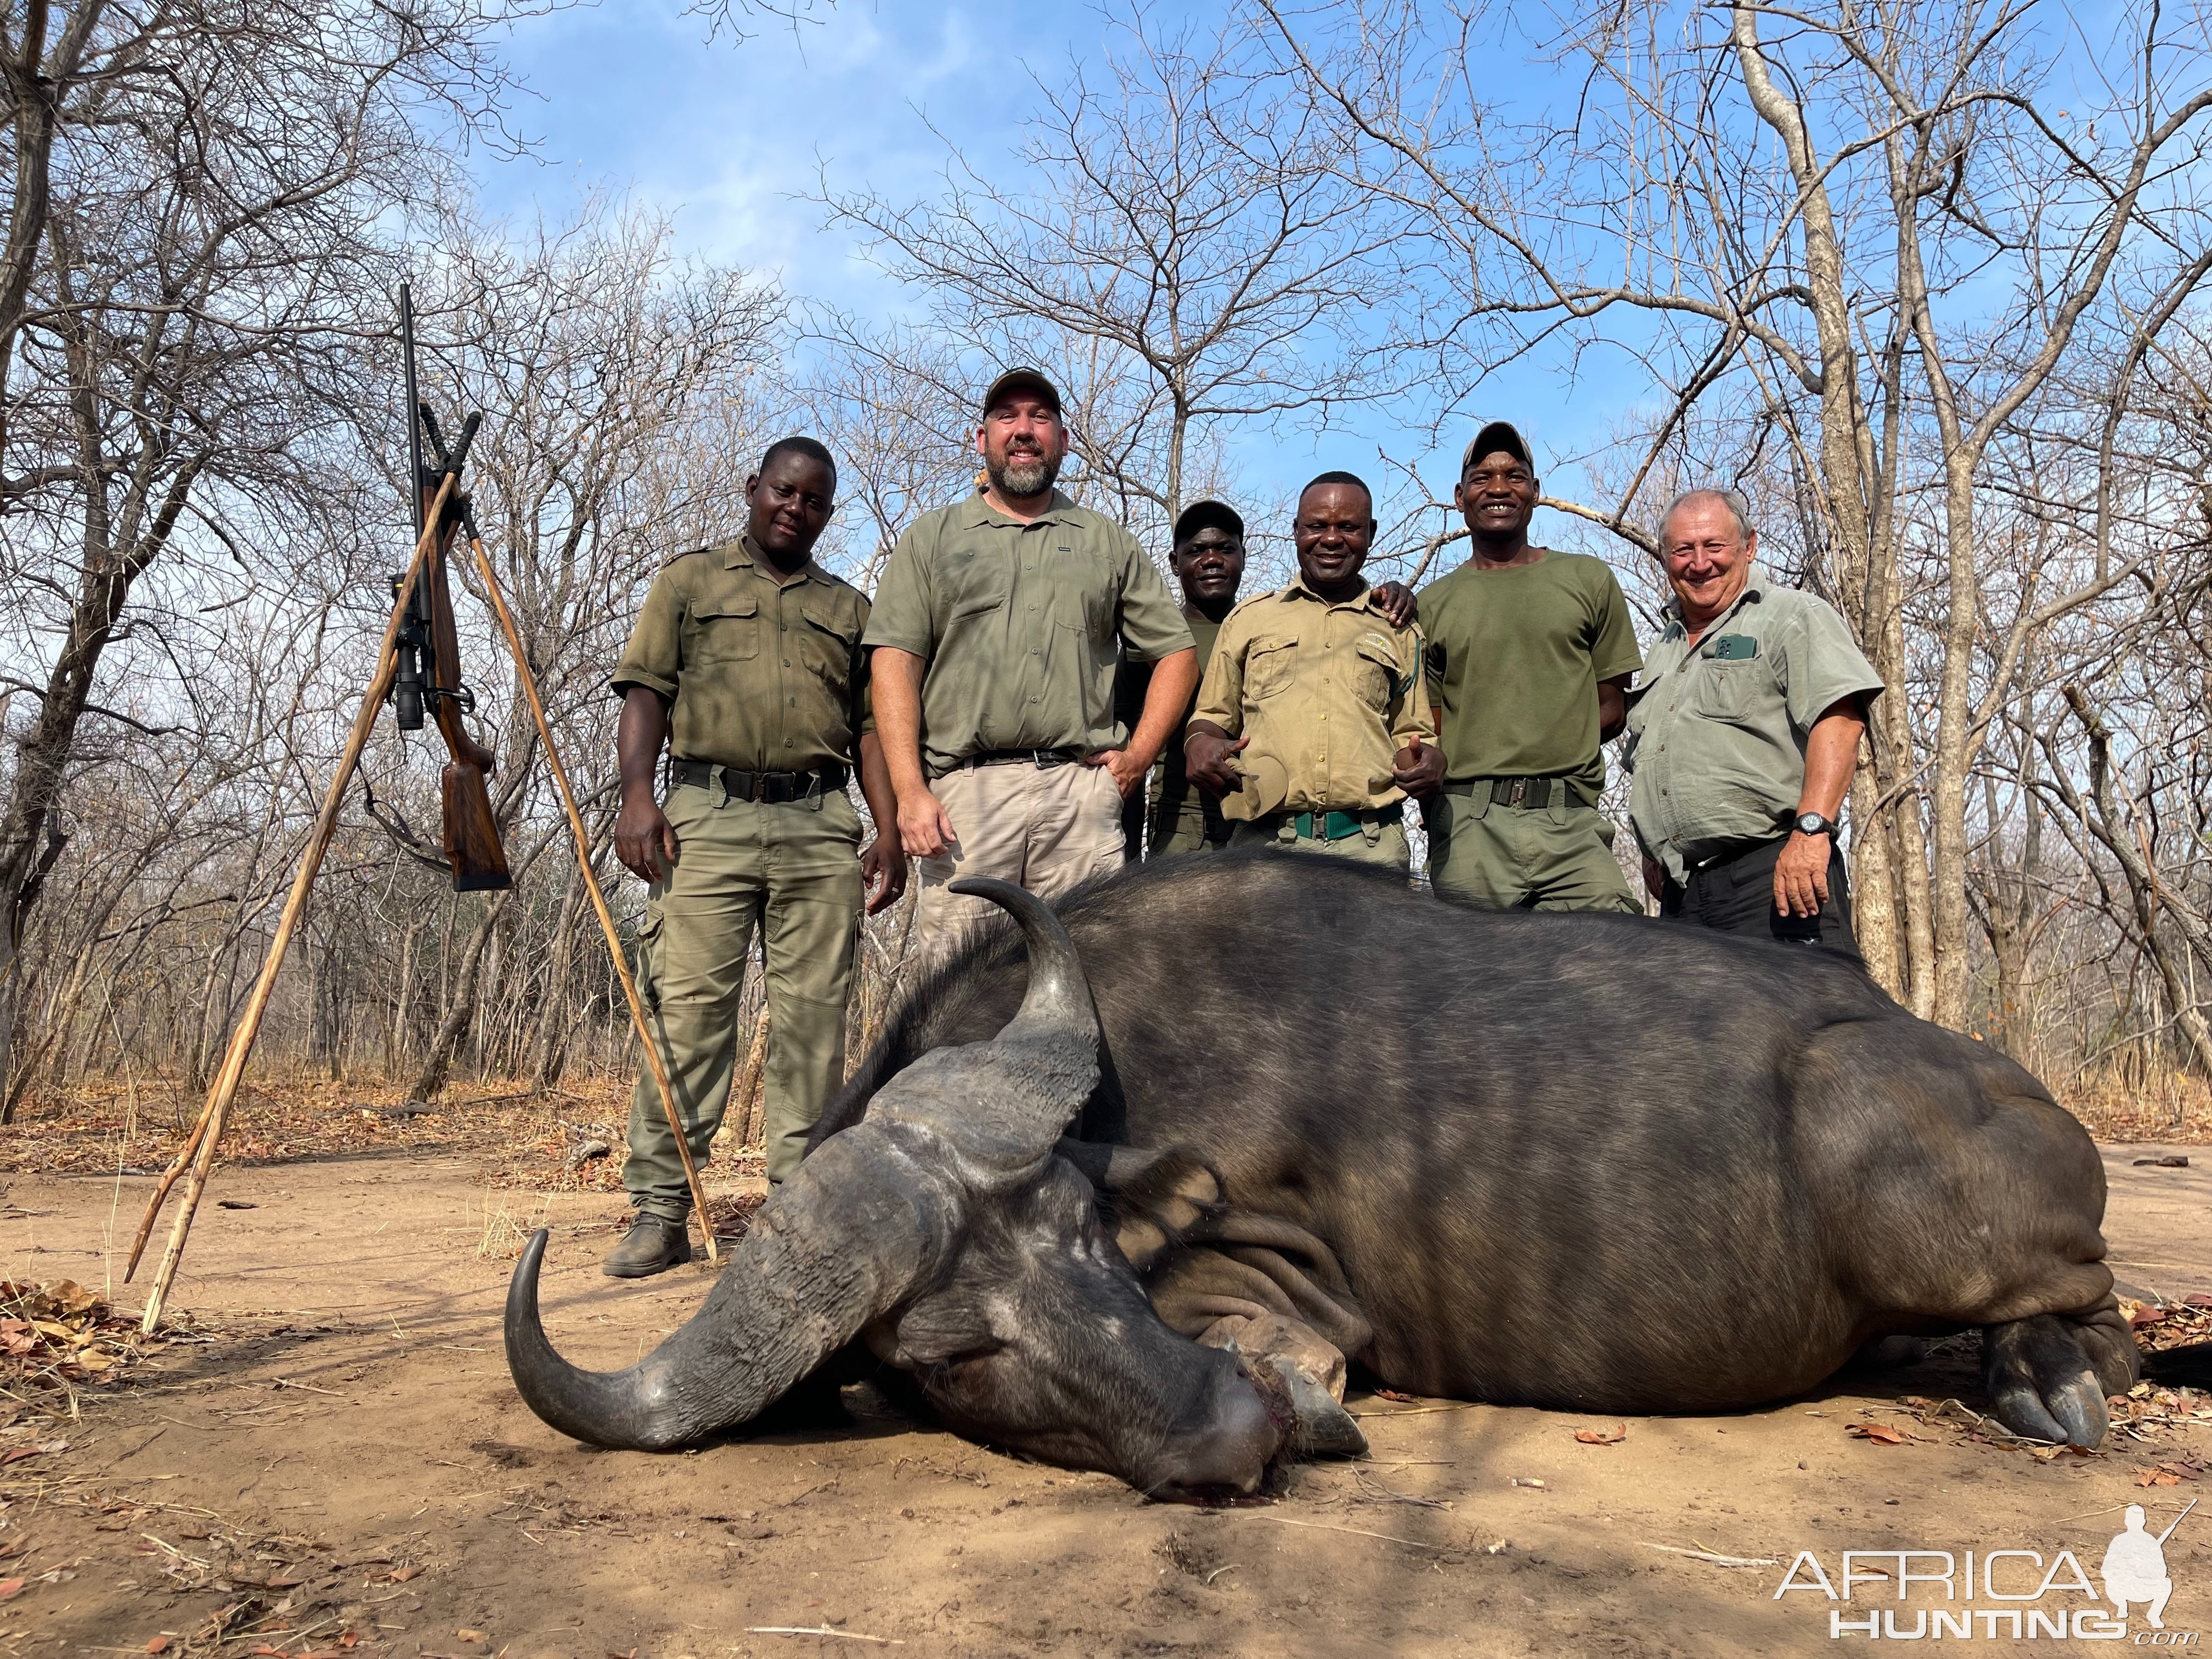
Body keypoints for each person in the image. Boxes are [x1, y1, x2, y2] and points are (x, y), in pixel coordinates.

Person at [602, 437, 905, 1277]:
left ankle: (799, 1213)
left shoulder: (849, 609)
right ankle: (662, 1211)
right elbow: (645, 693)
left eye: (813, 501)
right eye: (783, 491)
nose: (794, 509)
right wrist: (636, 797)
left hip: (818, 821)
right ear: (753, 488)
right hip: (706, 814)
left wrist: (885, 828)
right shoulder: (690, 582)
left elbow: (870, 729)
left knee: (814, 1024)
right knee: (691, 1013)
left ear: (827, 514)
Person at [863, 368, 1197, 950]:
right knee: (960, 997)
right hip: (965, 802)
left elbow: (1176, 652)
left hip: (1078, 795)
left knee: (1096, 981)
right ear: (981, 438)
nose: (1024, 431)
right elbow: (894, 662)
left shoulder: (1106, 542)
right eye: (1007, 417)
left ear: (1063, 441)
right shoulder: (932, 539)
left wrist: (1136, 758)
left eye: (1040, 418)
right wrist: (911, 793)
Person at [1622, 487, 1884, 950]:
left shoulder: (1791, 616)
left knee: (1806, 1022)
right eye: (1683, 549)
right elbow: (1652, 753)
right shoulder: (1664, 647)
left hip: (1774, 878)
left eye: (1714, 546)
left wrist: (1812, 831)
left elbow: (1839, 720)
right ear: (1664, 558)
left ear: (1749, 545)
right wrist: (1655, 850)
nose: (1699, 562)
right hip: (1684, 901)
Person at [1398, 421, 1644, 912]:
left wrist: (1540, 750)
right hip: (1469, 823)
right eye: (1482, 476)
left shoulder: (1589, 579)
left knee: (1616, 961)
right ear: (1459, 495)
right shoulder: (1430, 604)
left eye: (1514, 475)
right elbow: (1429, 727)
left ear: (1534, 491)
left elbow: (1612, 707)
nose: (1498, 488)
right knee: (1473, 978)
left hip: (1570, 818)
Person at [1184, 472, 1443, 871]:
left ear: (1371, 533)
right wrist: (1198, 743)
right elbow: (1212, 719)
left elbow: (1413, 734)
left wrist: (1428, 761)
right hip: (1265, 847)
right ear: (1296, 531)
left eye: (1348, 527)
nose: (1332, 539)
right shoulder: (1250, 619)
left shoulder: (1399, 629)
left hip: (1371, 847)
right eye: (1317, 526)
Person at [1115, 500, 1248, 857]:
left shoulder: (1268, 633)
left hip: (1264, 827)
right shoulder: (1152, 642)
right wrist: (1128, 857)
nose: (1212, 560)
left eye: (1225, 548)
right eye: (1197, 550)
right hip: (1181, 832)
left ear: (1242, 556)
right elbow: (1127, 754)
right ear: (1176, 563)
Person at [2101, 1504, 2176, 1629]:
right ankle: (2122, 1606)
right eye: (2132, 1520)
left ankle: (2154, 1615)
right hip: (2122, 1588)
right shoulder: (2119, 1541)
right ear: (2126, 1522)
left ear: (2143, 1522)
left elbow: (2162, 1572)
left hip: (2143, 1589)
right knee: (2110, 1582)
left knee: (2166, 1583)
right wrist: (2125, 1569)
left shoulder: (2151, 1542)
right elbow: (2106, 1570)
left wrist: (2145, 1569)